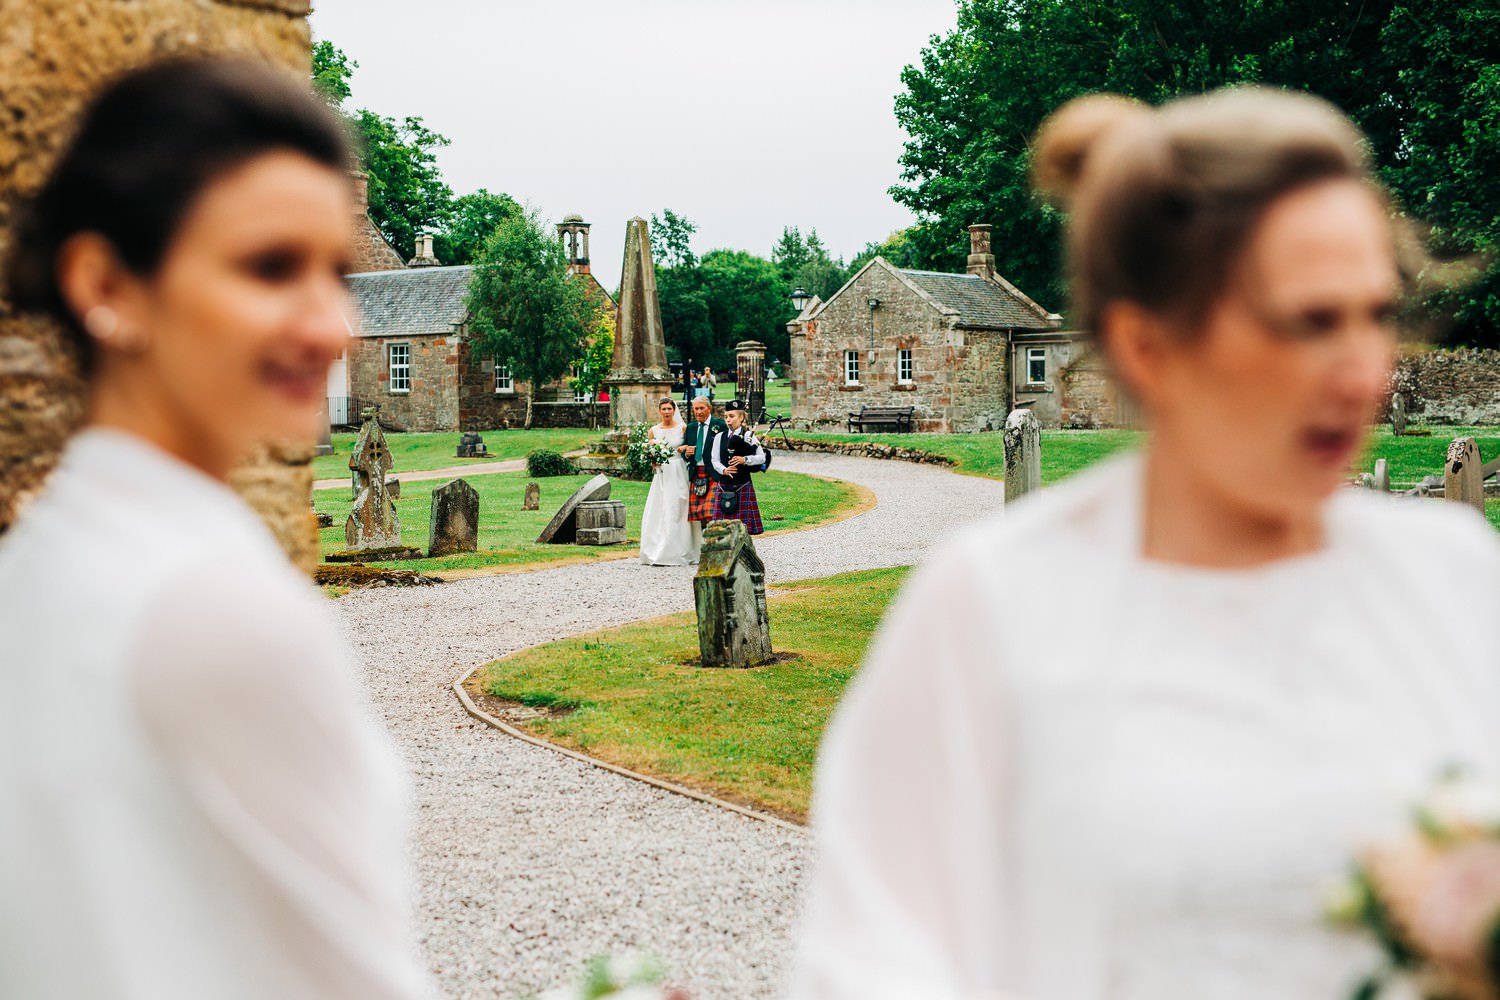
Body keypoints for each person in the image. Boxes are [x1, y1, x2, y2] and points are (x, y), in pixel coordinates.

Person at [789, 87, 1500, 1000]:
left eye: (1375, 315)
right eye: (1308, 322)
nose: (1366, 372)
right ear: (1148, 344)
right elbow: (874, 956)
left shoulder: (1454, 575)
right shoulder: (996, 608)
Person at [0, 59, 434, 999]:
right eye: (271, 267)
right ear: (105, 280)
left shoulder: (38, 561)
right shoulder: (219, 607)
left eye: (336, 273)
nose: (331, 327)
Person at [638, 397, 694, 566]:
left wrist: (684, 448)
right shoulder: (653, 431)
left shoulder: (682, 428)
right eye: (664, 409)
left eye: (670, 409)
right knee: (661, 507)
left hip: (678, 469)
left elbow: (690, 448)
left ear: (674, 410)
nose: (667, 412)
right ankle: (659, 547)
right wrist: (653, 459)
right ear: (660, 411)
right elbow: (650, 452)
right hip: (662, 472)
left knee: (679, 506)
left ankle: (682, 547)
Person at [678, 395, 727, 560]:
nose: (698, 412)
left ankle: (717, 546)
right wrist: (687, 452)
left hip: (713, 473)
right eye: (696, 409)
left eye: (701, 408)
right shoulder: (691, 428)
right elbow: (685, 454)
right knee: (698, 515)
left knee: (711, 511)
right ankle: (706, 548)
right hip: (696, 474)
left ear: (709, 408)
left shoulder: (720, 426)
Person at [709, 399, 767, 535]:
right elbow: (714, 460)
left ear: (741, 417)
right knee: (721, 530)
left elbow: (762, 457)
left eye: (732, 416)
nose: (728, 420)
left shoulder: (748, 436)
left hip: (743, 484)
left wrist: (744, 460)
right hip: (724, 485)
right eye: (726, 417)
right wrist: (724, 469)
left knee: (743, 530)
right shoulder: (719, 437)